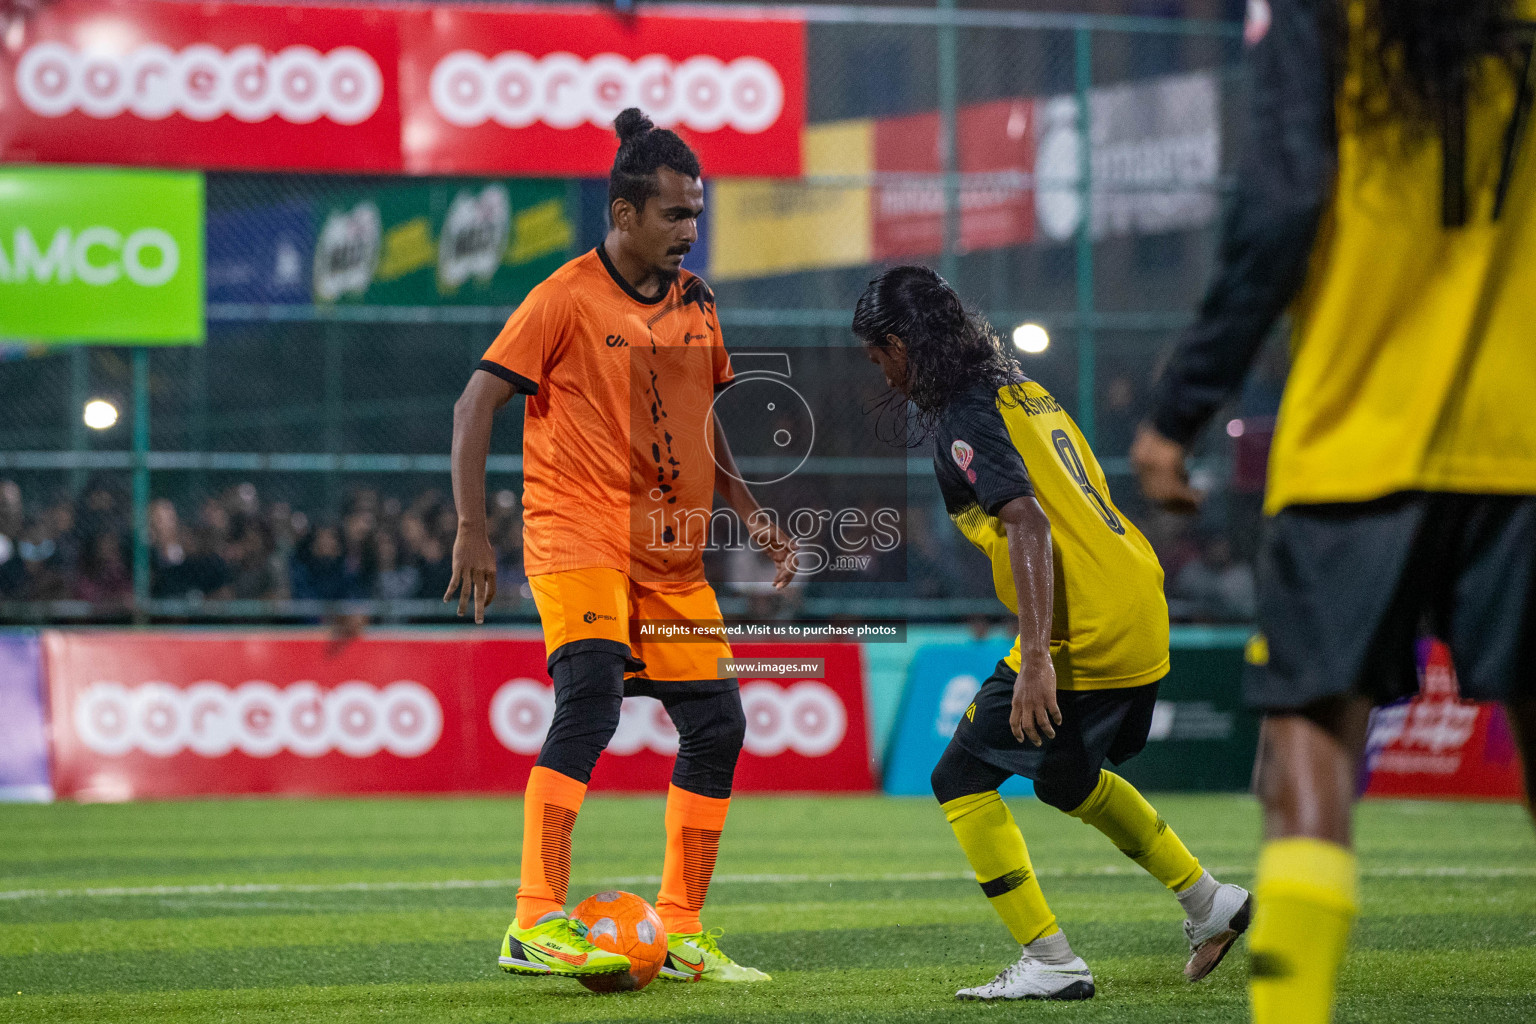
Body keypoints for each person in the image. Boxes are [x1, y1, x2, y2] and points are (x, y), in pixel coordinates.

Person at [1131, 3, 1536, 1022]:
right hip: (1522, 442)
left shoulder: (1331, 16)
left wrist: (1181, 407)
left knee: (1308, 756)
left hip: (1356, 441)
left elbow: (1278, 207)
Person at [447, 107, 792, 985]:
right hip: (577, 530)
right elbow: (474, 403)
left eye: (697, 215)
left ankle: (679, 931)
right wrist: (473, 529)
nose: (691, 231)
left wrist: (751, 515)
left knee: (717, 726)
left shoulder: (698, 305)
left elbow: (707, 423)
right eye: (676, 215)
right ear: (626, 212)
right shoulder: (562, 296)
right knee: (592, 702)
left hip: (672, 554)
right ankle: (534, 921)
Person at [853, 265, 1251, 1002]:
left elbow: (1028, 523)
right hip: (1137, 600)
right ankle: (1210, 902)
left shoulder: (968, 414)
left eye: (879, 355)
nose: (880, 372)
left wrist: (1036, 658)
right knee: (1068, 781)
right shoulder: (1023, 389)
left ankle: (1052, 962)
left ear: (904, 343)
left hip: (1083, 627)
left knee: (959, 780)